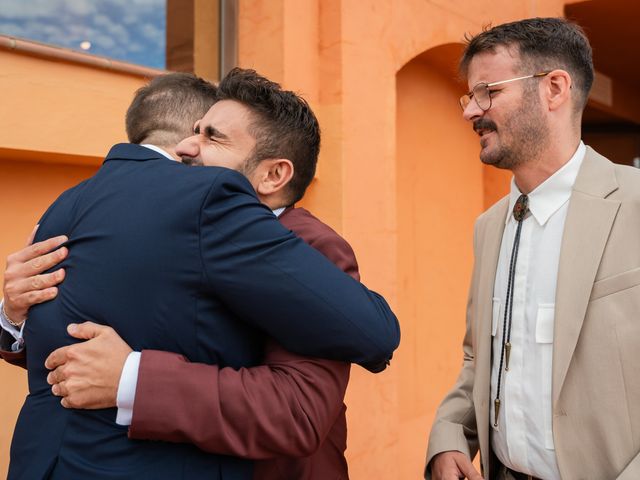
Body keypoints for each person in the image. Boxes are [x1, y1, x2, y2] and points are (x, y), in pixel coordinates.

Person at [2, 69, 399, 479]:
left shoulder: (315, 249)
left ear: (273, 175)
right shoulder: (147, 212)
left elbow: (296, 411)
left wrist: (132, 378)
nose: (186, 147)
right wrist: (13, 314)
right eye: (195, 131)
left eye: (213, 137)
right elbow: (80, 351)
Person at [425, 17, 640, 480]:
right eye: (470, 96)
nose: (469, 111)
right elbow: (477, 357)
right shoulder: (489, 227)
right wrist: (449, 435)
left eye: (488, 92)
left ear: (555, 88)